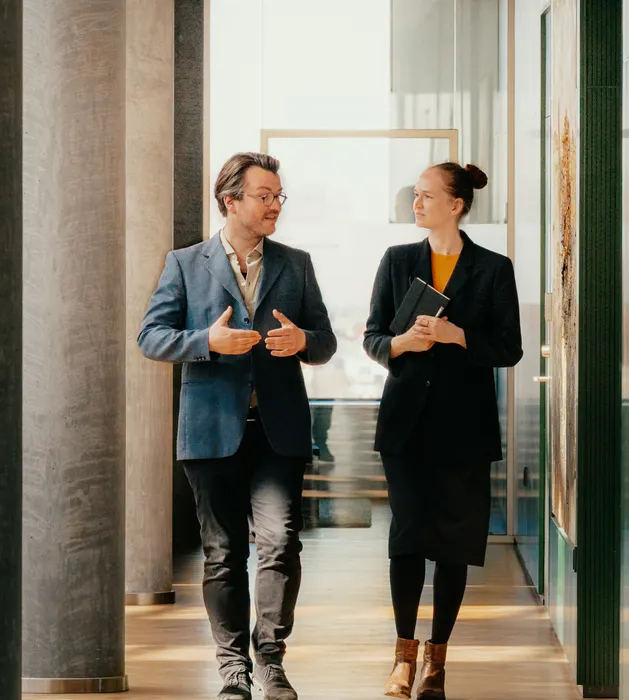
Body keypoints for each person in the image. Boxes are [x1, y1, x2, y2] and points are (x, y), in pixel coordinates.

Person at [138, 152, 336, 700]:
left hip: (278, 433)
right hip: (209, 432)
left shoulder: (295, 263)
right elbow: (151, 337)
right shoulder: (185, 263)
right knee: (223, 553)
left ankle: (270, 659)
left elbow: (325, 339)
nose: (275, 205)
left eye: (278, 197)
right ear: (231, 201)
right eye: (265, 196)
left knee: (279, 543)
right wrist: (206, 342)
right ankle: (233, 670)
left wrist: (304, 343)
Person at [361, 162, 521, 699]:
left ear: (456, 204)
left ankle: (437, 663)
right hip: (405, 426)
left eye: (426, 196)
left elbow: (510, 349)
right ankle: (402, 658)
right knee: (406, 539)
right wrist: (402, 344)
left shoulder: (494, 269)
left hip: (465, 429)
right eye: (415, 196)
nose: (417, 204)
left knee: (454, 545)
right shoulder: (397, 261)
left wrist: (457, 335)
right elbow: (373, 337)